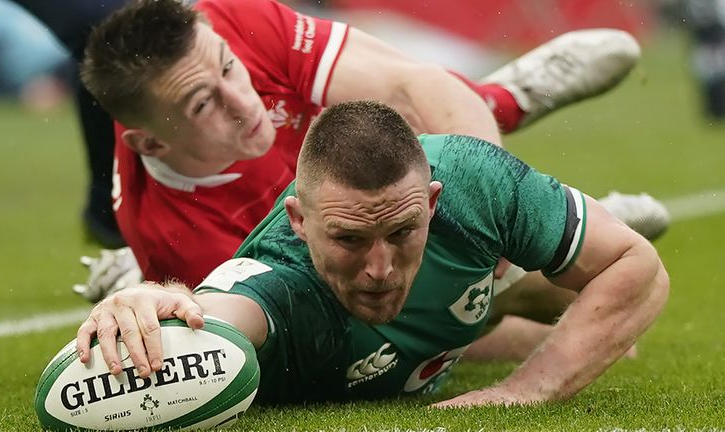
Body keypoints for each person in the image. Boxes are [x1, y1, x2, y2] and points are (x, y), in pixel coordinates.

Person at [76, 100, 669, 406]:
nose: (380, 268)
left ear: (432, 202)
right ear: (300, 224)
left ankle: (530, 257)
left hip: (450, 291)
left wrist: (530, 388)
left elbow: (635, 268)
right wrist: (157, 298)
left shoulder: (472, 180)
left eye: (402, 232)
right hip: (346, 331)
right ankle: (134, 270)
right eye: (349, 239)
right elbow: (220, 313)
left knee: (613, 332)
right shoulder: (281, 281)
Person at [71, 0, 666, 304]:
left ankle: (504, 99)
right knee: (457, 305)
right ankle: (558, 216)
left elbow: (416, 84)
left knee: (397, 109)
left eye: (230, 68)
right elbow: (365, 315)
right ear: (149, 142)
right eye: (204, 103)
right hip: (280, 231)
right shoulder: (174, 235)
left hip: (330, 143)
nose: (243, 101)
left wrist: (505, 216)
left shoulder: (230, 22)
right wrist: (530, 271)